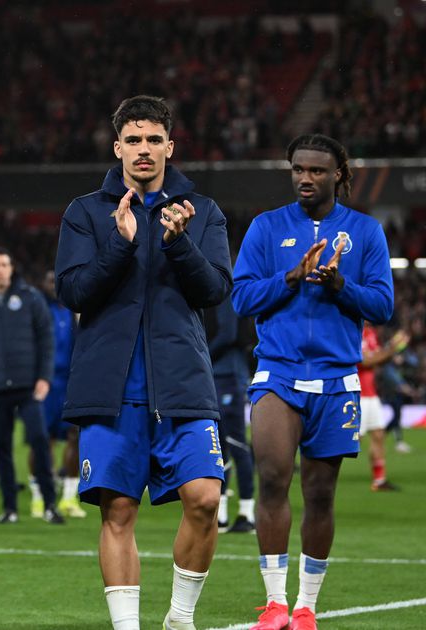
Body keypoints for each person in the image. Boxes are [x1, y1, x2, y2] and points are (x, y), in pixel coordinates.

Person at [54, 95, 231, 630]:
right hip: (111, 385)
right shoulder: (86, 212)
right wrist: (121, 244)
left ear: (170, 146)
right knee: (119, 511)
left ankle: (179, 619)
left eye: (154, 139)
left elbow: (216, 290)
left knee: (205, 498)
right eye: (134, 140)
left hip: (181, 380)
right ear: (118, 148)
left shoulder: (203, 212)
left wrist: (179, 244)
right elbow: (74, 292)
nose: (144, 149)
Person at [233, 133, 393, 630]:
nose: (306, 178)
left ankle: (306, 607)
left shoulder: (366, 233)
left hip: (336, 377)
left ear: (339, 175)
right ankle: (275, 604)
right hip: (277, 373)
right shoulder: (266, 228)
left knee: (320, 494)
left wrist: (341, 286)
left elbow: (382, 306)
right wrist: (290, 279)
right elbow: (240, 298)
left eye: (318, 171)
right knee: (274, 478)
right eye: (299, 169)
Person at [0, 247, 61, 525]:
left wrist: (44, 377)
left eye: (3, 265)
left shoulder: (31, 298)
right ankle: (10, 508)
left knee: (39, 442)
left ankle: (49, 504)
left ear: (11, 268)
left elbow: (46, 339)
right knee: (2, 449)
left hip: (28, 386)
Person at [205, 297, 258, 533]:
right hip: (219, 374)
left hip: (228, 374)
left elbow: (227, 333)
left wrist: (202, 355)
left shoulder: (227, 293)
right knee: (219, 443)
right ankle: (222, 513)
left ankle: (246, 512)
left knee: (235, 441)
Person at [40, 270, 86, 519]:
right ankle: (41, 496)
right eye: (49, 280)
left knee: (74, 436)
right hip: (46, 383)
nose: (53, 285)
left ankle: (69, 496)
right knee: (43, 437)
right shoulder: (40, 309)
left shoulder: (74, 311)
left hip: (70, 382)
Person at [359, 323, 409, 491]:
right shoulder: (356, 331)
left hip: (371, 394)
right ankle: (316, 473)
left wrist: (391, 347)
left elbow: (376, 359)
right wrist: (392, 348)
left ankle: (379, 480)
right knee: (352, 441)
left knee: (378, 435)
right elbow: (365, 361)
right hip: (358, 394)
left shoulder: (371, 333)